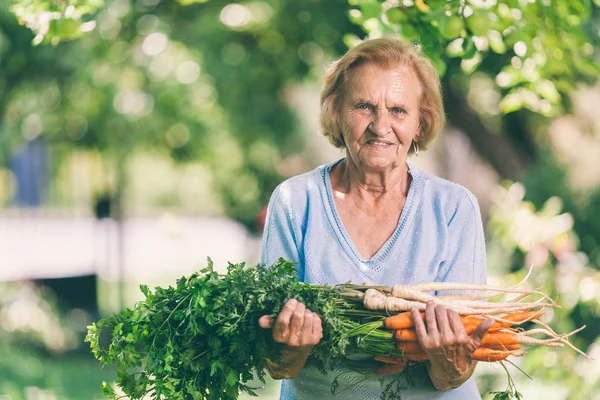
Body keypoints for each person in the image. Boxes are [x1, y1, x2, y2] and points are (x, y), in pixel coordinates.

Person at [258, 38, 494, 399]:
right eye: (364, 106)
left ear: (420, 123)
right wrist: (292, 347)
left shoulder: (453, 208)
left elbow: (454, 374)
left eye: (398, 110)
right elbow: (276, 365)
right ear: (337, 111)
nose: (380, 126)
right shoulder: (295, 202)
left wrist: (450, 362)